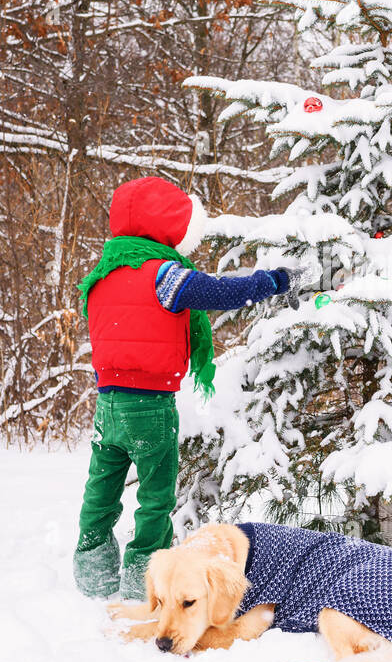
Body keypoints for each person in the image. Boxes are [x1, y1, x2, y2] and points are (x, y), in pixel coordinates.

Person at [73, 176, 294, 599]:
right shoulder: (165, 276)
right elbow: (220, 292)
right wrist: (273, 281)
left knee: (100, 492)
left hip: (107, 405)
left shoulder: (101, 275)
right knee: (155, 500)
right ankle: (144, 584)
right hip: (151, 407)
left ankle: (92, 576)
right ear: (167, 227)